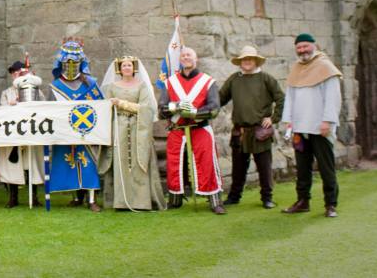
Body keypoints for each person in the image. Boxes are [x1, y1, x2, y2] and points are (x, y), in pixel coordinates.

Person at [281, 33, 342, 218]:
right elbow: (290, 97)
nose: (302, 50)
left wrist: (327, 121)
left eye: (305, 46)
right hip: (300, 127)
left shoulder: (326, 67)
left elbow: (332, 98)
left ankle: (331, 204)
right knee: (302, 168)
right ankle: (303, 201)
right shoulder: (296, 68)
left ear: (314, 45)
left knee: (326, 167)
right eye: (299, 47)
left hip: (320, 127)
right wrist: (289, 121)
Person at [159, 47, 226, 215]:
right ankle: (175, 200)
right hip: (177, 129)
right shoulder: (170, 82)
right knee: (174, 164)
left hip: (200, 128)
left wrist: (195, 112)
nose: (186, 57)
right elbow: (161, 110)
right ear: (180, 60)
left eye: (189, 55)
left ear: (196, 59)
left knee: (207, 163)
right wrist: (175, 107)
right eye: (183, 55)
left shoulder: (208, 81)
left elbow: (214, 108)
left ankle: (215, 201)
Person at [219, 46, 285, 209]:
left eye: (250, 58)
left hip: (259, 131)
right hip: (240, 131)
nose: (247, 61)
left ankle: (267, 198)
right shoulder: (234, 79)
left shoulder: (266, 79)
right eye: (244, 59)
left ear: (256, 61)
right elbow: (219, 98)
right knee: (238, 167)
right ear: (240, 62)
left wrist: (273, 118)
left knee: (264, 167)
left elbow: (281, 98)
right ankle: (234, 197)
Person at [99, 56, 166, 211]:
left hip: (138, 129)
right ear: (119, 69)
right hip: (119, 128)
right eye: (124, 65)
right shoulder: (112, 87)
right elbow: (106, 108)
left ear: (134, 67)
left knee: (137, 162)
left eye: (129, 65)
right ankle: (120, 202)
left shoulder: (142, 86)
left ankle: (141, 202)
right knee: (120, 162)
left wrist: (122, 103)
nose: (127, 68)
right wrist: (111, 106)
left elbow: (146, 108)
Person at [48, 37, 103, 212]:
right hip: (65, 133)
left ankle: (91, 199)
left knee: (89, 166)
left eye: (75, 62)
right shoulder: (55, 86)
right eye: (68, 62)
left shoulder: (90, 84)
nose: (71, 65)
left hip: (86, 132)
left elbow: (100, 107)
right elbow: (50, 111)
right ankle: (77, 197)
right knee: (69, 164)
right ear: (62, 63)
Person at [0, 59, 45, 208]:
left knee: (32, 166)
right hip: (13, 135)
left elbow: (44, 107)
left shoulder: (36, 90)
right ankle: (13, 198)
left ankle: (34, 197)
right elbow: (1, 112)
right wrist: (10, 105)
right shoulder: (6, 93)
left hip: (31, 133)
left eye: (19, 71)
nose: (16, 74)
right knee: (12, 167)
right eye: (14, 72)